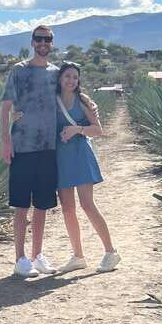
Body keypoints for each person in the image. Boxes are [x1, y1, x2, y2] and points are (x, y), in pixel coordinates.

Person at [0, 24, 59, 278]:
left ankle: (37, 255)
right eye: (39, 39)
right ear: (32, 42)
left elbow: (71, 94)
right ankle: (20, 259)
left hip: (48, 147)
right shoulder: (19, 71)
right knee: (21, 205)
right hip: (22, 146)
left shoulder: (56, 73)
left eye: (47, 39)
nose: (43, 43)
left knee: (42, 205)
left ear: (51, 43)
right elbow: (5, 107)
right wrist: (6, 141)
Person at [55, 62, 121, 273]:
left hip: (80, 156)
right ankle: (78, 256)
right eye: (67, 76)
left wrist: (77, 129)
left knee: (86, 204)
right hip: (61, 158)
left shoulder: (83, 101)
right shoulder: (52, 101)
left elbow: (98, 130)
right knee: (67, 208)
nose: (71, 81)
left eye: (75, 77)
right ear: (59, 78)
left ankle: (111, 252)